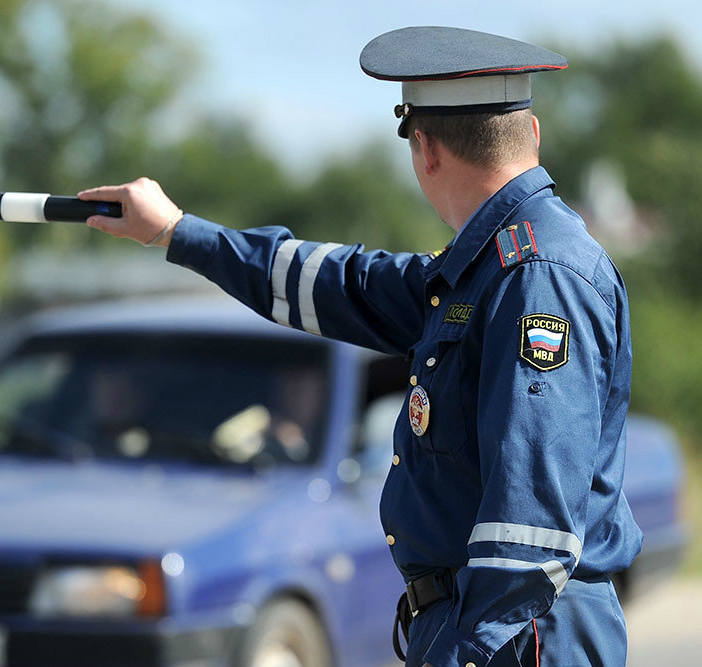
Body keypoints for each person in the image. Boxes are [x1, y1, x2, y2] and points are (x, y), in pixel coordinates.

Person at [77, 26, 642, 667]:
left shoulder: (535, 274)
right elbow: (340, 281)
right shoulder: (483, 269)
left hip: (517, 637)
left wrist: (465, 653)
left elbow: (531, 527)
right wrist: (179, 233)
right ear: (531, 134)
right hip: (493, 630)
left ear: (423, 149)